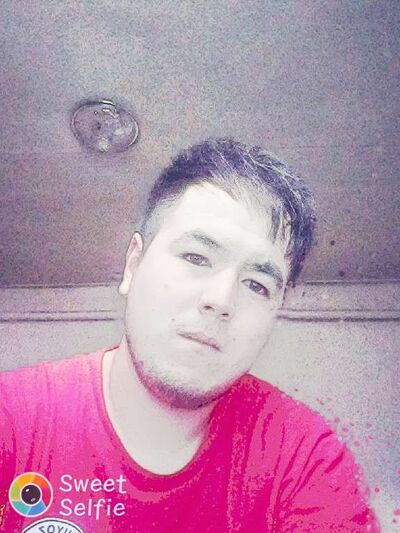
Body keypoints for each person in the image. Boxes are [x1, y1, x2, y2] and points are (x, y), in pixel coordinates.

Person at [0, 139, 379, 532]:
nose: (221, 300)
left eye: (257, 285)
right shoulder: (13, 417)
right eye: (196, 258)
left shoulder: (307, 460)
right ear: (133, 264)